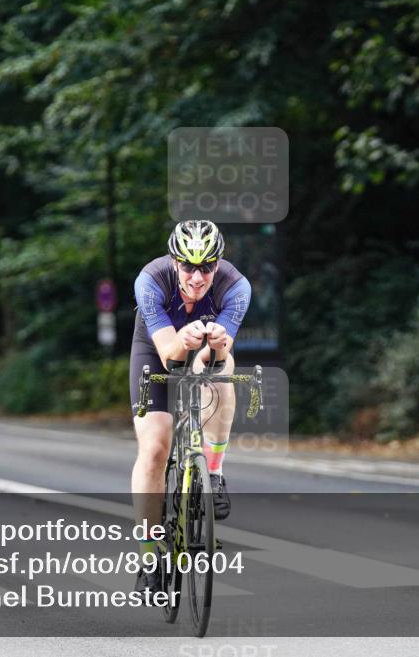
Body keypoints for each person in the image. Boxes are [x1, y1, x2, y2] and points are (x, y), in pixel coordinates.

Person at [129, 220, 251, 594]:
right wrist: (183, 339)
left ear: (219, 263)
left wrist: (215, 344)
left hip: (205, 347)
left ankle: (212, 473)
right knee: (154, 447)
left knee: (220, 374)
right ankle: (149, 556)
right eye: (188, 267)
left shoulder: (237, 287)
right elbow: (169, 357)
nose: (198, 277)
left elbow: (213, 362)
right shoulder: (150, 281)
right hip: (157, 346)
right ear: (174, 261)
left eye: (207, 267)